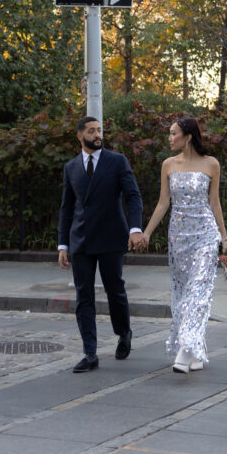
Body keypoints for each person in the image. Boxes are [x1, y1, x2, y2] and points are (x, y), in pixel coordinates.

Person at [140, 116, 227, 373]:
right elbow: (163, 203)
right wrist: (147, 233)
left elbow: (214, 203)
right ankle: (197, 351)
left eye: (173, 134)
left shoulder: (211, 164)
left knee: (197, 293)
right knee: (182, 296)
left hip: (205, 235)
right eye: (169, 134)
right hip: (178, 238)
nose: (170, 138)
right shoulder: (168, 165)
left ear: (188, 136)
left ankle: (184, 351)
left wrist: (224, 239)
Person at [58, 116, 144, 373]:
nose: (98, 135)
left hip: (110, 237)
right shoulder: (71, 167)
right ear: (80, 136)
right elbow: (66, 208)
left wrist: (135, 228)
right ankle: (90, 353)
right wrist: (63, 244)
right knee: (84, 296)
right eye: (92, 131)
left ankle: (124, 332)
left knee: (114, 289)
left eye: (99, 130)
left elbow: (133, 196)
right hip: (80, 240)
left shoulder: (117, 161)